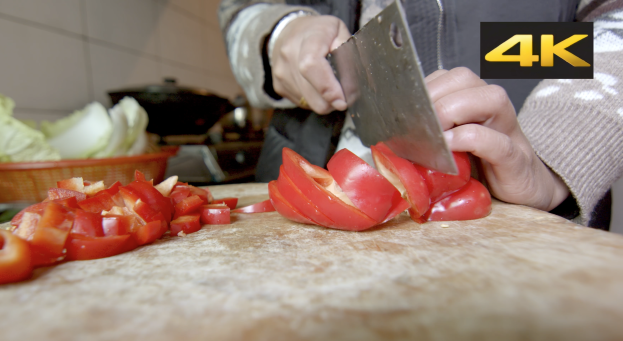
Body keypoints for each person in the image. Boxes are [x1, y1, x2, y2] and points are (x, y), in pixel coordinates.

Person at [218, 0, 623, 229]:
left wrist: (555, 157)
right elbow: (246, 9)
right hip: (315, 154)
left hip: (511, 186)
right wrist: (280, 31)